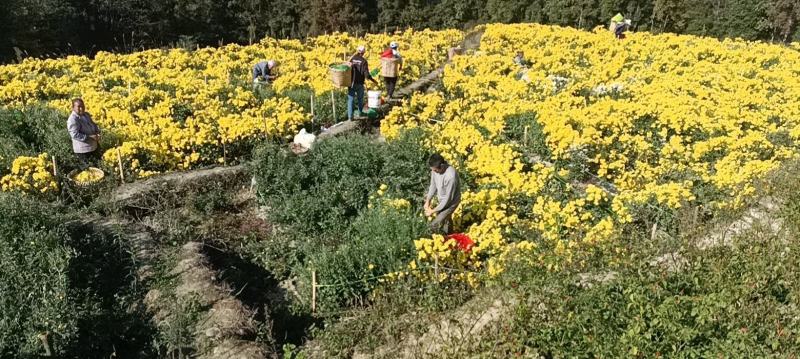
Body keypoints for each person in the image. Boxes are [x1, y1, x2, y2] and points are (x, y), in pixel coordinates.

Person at [424, 154, 461, 234]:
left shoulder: (451, 176)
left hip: (451, 202)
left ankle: (430, 239)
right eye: (432, 170)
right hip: (442, 200)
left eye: (435, 170)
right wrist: (428, 201)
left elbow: (448, 198)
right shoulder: (434, 170)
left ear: (442, 165)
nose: (434, 172)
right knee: (446, 221)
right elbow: (433, 185)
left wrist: (433, 211)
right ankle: (450, 237)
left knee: (435, 224)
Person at [67, 98, 101, 170]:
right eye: (79, 106)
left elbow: (93, 124)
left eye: (82, 106)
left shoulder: (86, 115)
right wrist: (90, 137)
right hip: (83, 150)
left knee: (97, 168)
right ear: (73, 108)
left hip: (93, 146)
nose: (81, 108)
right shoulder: (72, 119)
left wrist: (97, 132)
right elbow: (74, 134)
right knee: (87, 170)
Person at [348, 45, 378, 120]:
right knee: (360, 99)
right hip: (359, 83)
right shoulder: (364, 61)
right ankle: (360, 113)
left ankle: (350, 116)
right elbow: (367, 75)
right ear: (364, 52)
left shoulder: (352, 59)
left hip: (351, 83)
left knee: (350, 99)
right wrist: (373, 80)